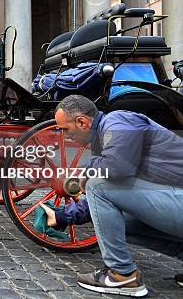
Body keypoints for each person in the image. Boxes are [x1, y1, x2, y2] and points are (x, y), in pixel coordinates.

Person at [44, 95, 183, 297]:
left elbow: (116, 170)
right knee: (120, 223)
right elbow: (110, 199)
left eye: (65, 129)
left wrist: (86, 172)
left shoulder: (119, 121)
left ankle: (122, 275)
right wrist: (63, 216)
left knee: (97, 184)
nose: (65, 136)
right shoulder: (106, 137)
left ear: (82, 122)